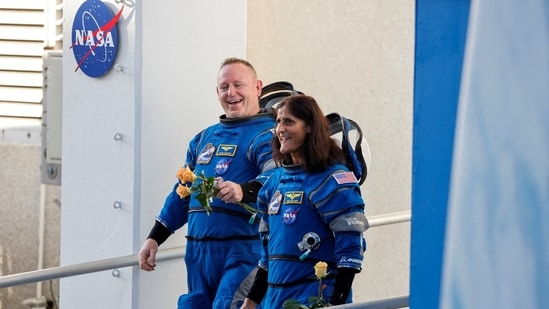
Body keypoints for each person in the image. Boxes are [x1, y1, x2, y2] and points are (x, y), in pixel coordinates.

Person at [138, 57, 276, 309]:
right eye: (224, 87)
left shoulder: (269, 136)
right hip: (199, 254)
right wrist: (155, 238)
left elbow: (275, 181)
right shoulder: (204, 138)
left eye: (238, 85)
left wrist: (241, 191)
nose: (231, 93)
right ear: (217, 92)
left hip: (244, 252)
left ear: (257, 87)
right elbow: (182, 192)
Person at [240, 95, 368, 309]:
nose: (280, 128)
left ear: (309, 127)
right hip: (275, 300)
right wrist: (250, 302)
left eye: (288, 121)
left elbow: (351, 249)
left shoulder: (332, 179)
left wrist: (336, 305)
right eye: (278, 121)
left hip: (315, 299)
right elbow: (266, 254)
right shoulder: (274, 182)